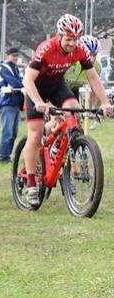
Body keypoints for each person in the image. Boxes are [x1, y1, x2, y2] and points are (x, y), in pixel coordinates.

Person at [20, 14, 112, 206]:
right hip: (36, 88)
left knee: (73, 113)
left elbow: (93, 78)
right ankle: (30, 184)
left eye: (75, 39)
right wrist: (38, 101)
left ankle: (60, 149)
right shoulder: (46, 48)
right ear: (59, 35)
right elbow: (27, 80)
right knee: (35, 136)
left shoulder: (80, 50)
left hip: (57, 86)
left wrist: (104, 102)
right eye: (68, 39)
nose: (72, 43)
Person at [0, 48, 23, 164]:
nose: (15, 57)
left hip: (16, 104)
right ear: (7, 56)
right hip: (7, 103)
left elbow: (21, 82)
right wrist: (22, 85)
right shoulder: (4, 68)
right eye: (13, 55)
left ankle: (8, 156)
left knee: (14, 133)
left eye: (16, 55)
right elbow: (15, 83)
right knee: (8, 132)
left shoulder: (16, 68)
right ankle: (3, 156)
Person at [65, 35, 101, 103]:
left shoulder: (97, 67)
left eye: (94, 55)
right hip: (57, 88)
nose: (92, 59)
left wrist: (92, 110)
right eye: (89, 54)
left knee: (76, 109)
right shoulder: (69, 62)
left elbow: (95, 91)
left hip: (75, 89)